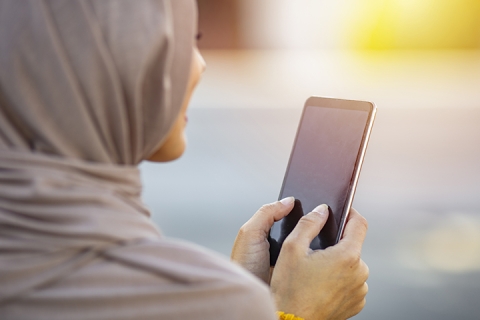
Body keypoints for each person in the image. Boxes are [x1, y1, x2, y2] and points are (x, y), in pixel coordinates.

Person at [0, 1, 368, 319]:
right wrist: (293, 313)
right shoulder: (196, 299)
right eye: (184, 43)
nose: (200, 65)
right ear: (112, 68)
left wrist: (245, 292)